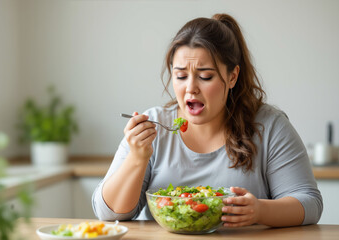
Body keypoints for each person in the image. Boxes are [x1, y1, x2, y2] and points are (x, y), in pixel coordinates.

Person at [92, 13, 322, 227]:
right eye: (180, 76)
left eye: (205, 76)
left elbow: (310, 203)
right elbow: (108, 213)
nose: (190, 88)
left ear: (232, 77)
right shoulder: (153, 125)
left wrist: (260, 211)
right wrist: (136, 158)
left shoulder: (269, 126)